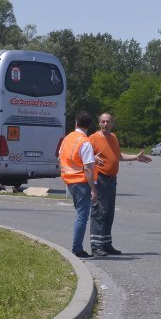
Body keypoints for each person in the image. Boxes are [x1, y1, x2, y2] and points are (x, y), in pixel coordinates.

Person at [89, 112, 152, 255]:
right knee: (99, 211)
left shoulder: (113, 138)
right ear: (99, 123)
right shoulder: (93, 138)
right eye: (103, 121)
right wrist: (92, 157)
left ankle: (106, 243)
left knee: (109, 212)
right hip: (99, 179)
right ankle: (96, 245)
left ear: (112, 123)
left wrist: (135, 157)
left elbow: (118, 156)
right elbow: (84, 156)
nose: (105, 124)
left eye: (108, 121)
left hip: (111, 180)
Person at [59, 111, 99, 259]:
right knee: (82, 216)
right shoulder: (85, 142)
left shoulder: (67, 138)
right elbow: (88, 168)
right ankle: (77, 249)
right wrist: (94, 189)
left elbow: (62, 155)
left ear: (76, 123)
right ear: (89, 126)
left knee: (79, 214)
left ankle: (77, 248)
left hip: (69, 181)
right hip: (81, 182)